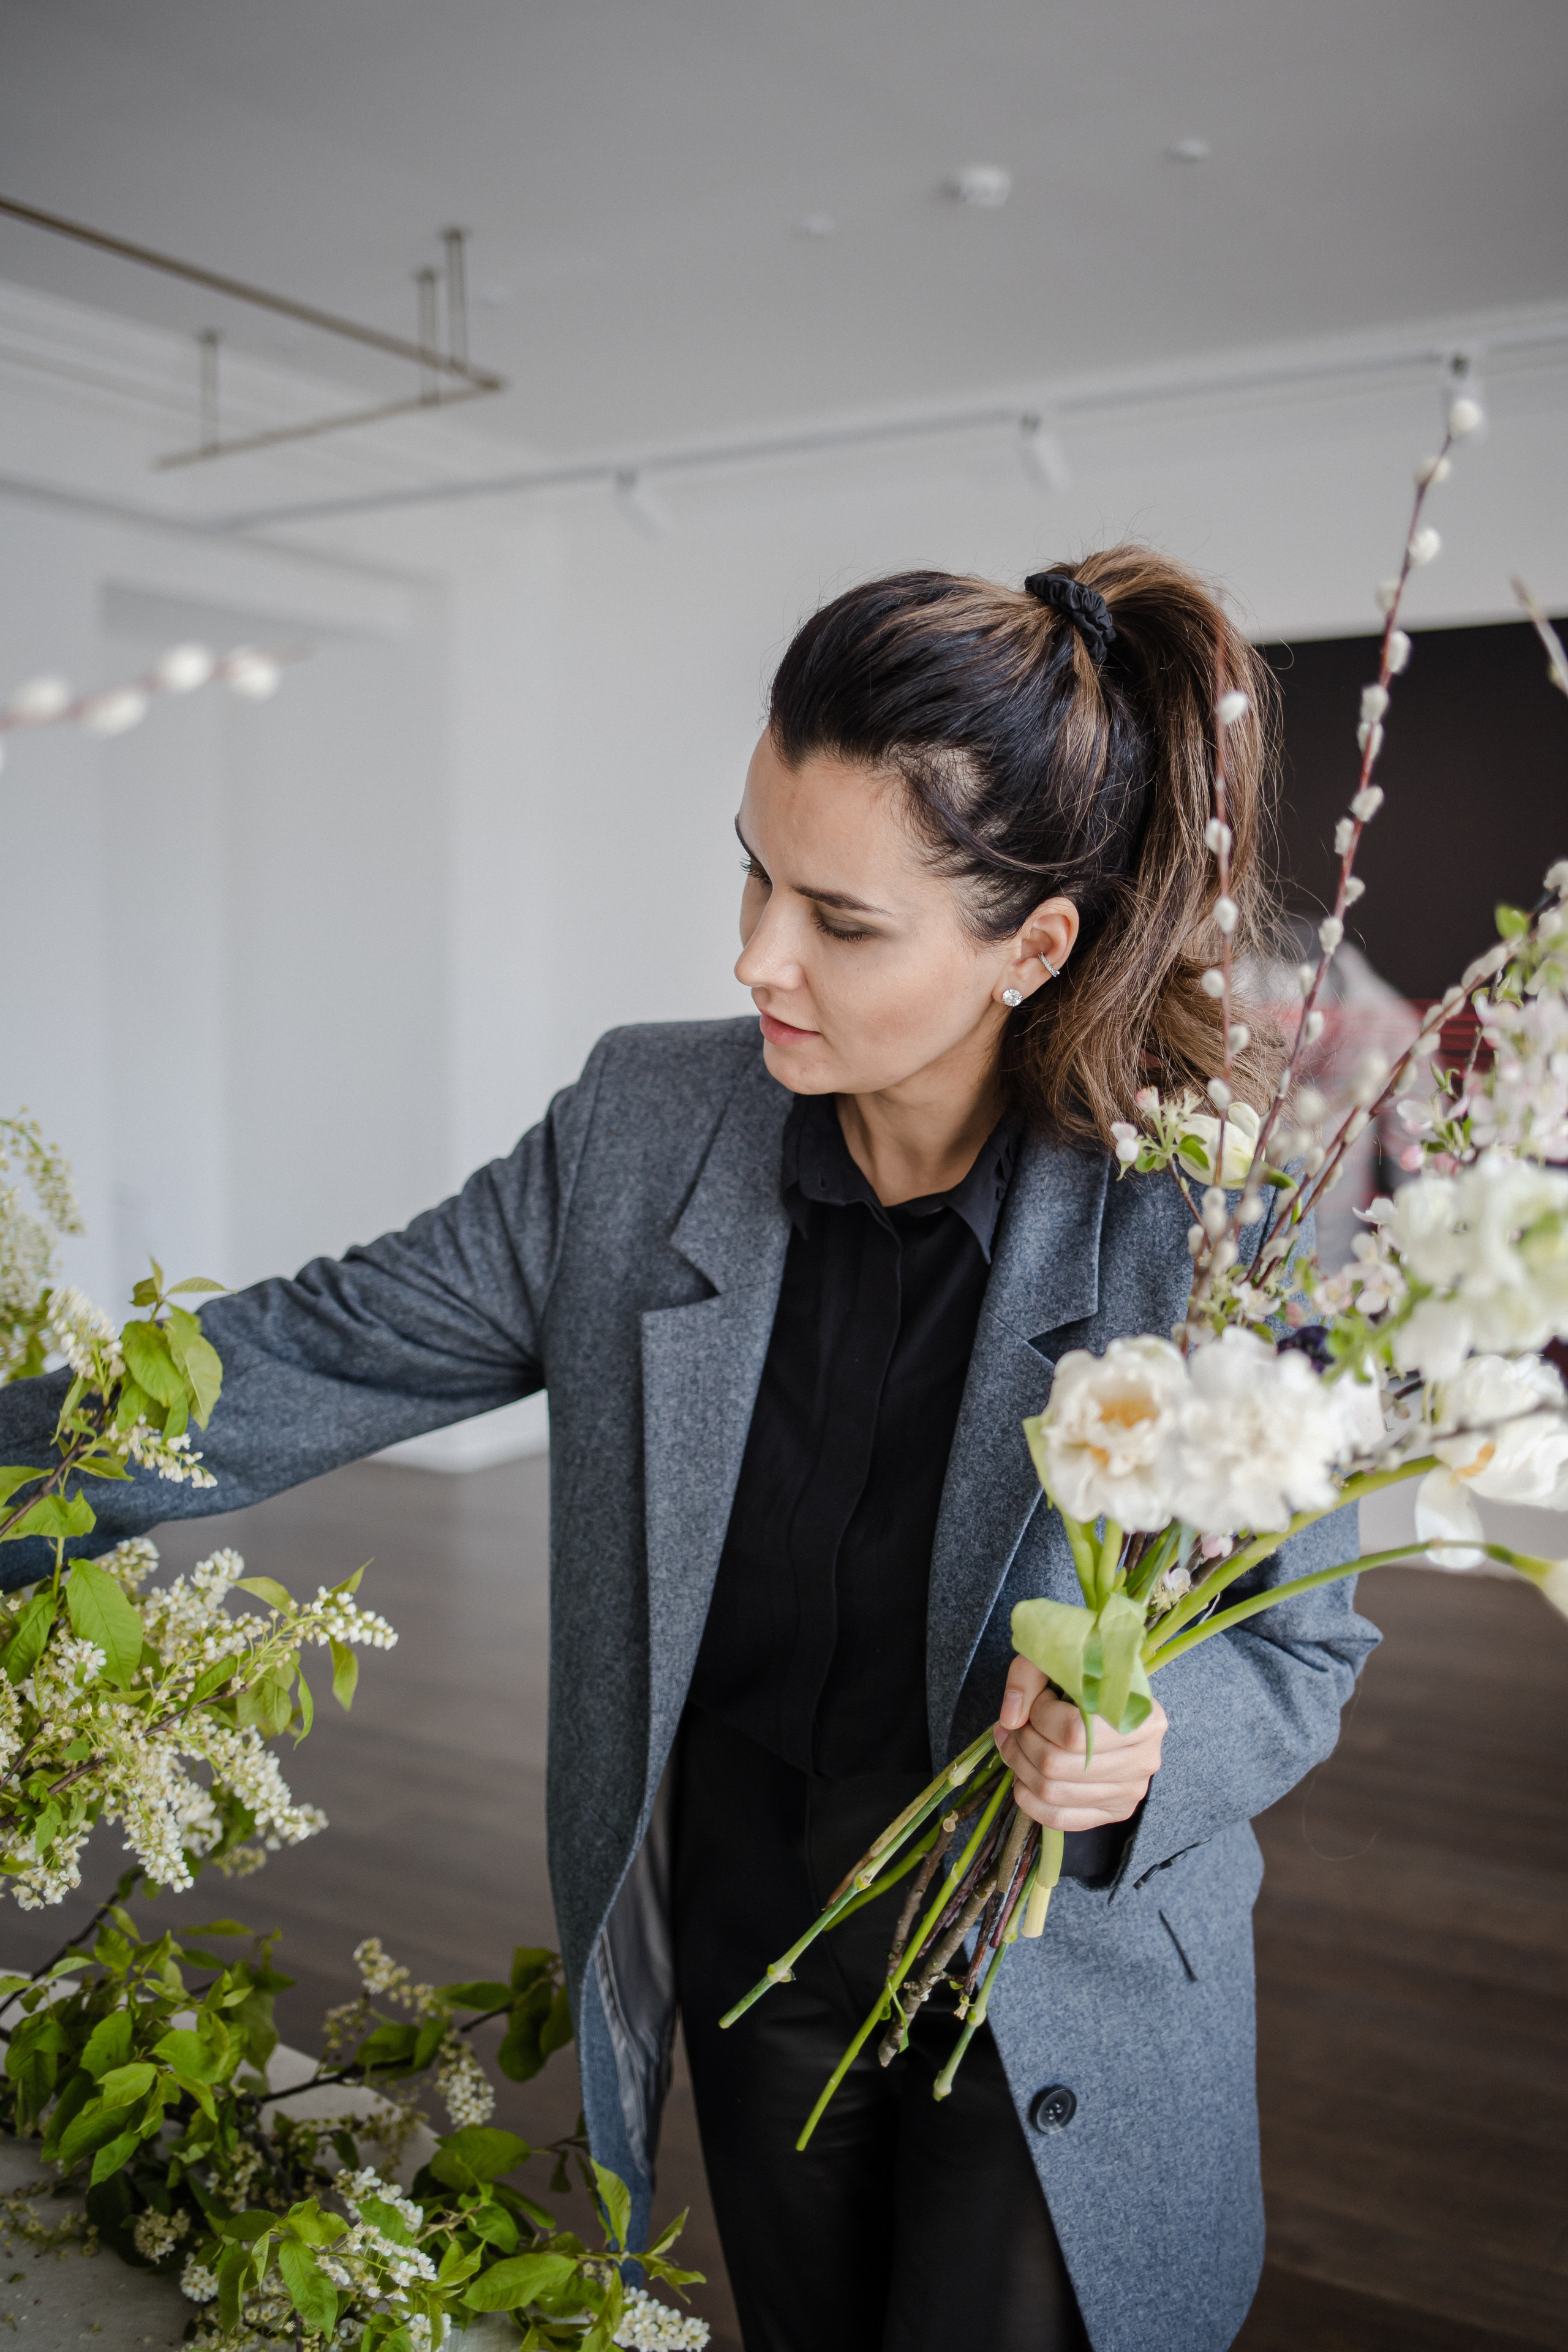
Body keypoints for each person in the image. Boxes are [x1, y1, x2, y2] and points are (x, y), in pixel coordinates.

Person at [0, 549, 1374, 2352]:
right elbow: (315, 1347)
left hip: (1052, 1965)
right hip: (756, 1922)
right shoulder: (647, 1126)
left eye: (843, 920)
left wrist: (1144, 1753)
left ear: (1034, 947)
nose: (754, 956)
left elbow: (1303, 1638)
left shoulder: (1195, 1218)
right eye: (751, 866)